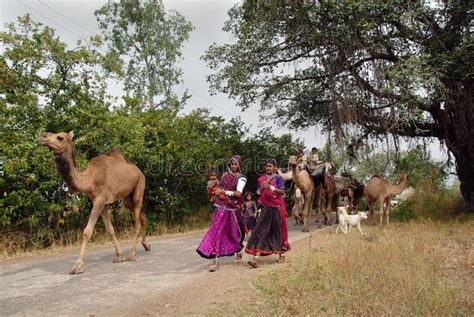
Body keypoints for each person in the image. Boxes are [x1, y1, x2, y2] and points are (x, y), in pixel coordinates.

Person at [196, 155, 247, 271]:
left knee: (235, 233)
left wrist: (224, 192)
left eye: (236, 164)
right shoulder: (224, 176)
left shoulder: (241, 178)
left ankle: (238, 251)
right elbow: (218, 189)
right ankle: (216, 261)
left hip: (235, 209)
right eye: (232, 164)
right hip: (222, 207)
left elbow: (238, 194)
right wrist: (216, 193)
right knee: (218, 232)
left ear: (239, 166)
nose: (233, 166)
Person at [245, 159, 289, 268]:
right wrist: (262, 187)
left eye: (270, 166)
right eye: (267, 166)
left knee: (278, 231)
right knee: (261, 231)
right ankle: (256, 259)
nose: (268, 168)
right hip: (266, 208)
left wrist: (270, 187)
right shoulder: (261, 179)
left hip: (277, 208)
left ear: (275, 167)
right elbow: (258, 193)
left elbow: (282, 192)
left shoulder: (278, 178)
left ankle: (281, 255)